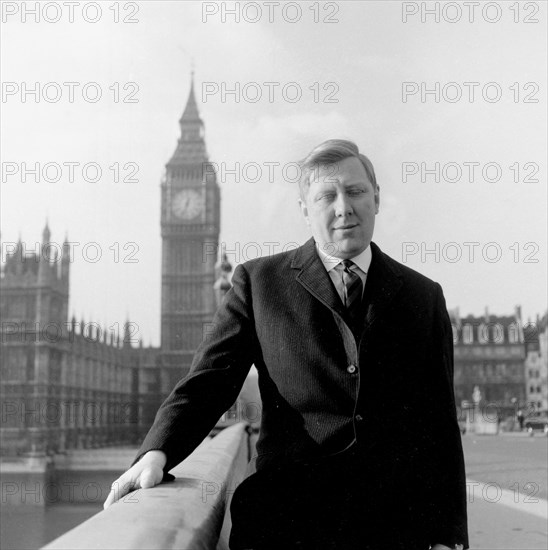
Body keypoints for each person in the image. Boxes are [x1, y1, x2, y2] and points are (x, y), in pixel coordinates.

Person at [104, 139, 468, 550]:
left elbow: (439, 423)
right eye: (326, 196)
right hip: (287, 523)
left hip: (392, 529)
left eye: (356, 191)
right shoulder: (259, 284)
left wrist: (448, 534)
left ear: (377, 198)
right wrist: (157, 452)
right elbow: (210, 380)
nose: (343, 207)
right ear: (305, 209)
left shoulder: (423, 296)